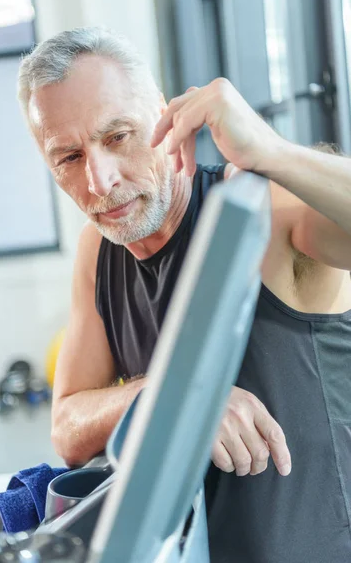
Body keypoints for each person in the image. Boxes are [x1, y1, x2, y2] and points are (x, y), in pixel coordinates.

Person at [18, 27, 351, 562]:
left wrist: (272, 152)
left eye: (118, 136)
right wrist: (173, 398)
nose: (100, 181)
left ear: (164, 115)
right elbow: (69, 429)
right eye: (69, 157)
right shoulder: (98, 252)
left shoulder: (270, 209)